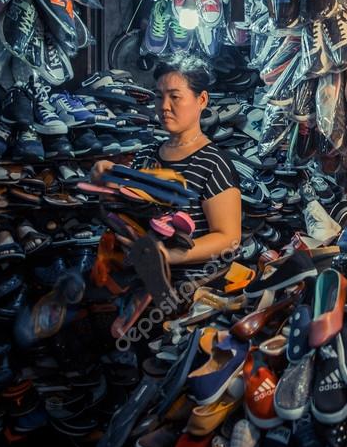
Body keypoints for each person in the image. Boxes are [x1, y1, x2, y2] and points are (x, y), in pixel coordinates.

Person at [92, 61, 241, 282]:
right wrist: (106, 183)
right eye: (159, 96)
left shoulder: (213, 162)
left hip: (189, 287)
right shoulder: (146, 155)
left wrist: (169, 255)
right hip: (143, 282)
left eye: (175, 97)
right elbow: (132, 213)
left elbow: (229, 239)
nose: (164, 106)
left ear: (201, 100)